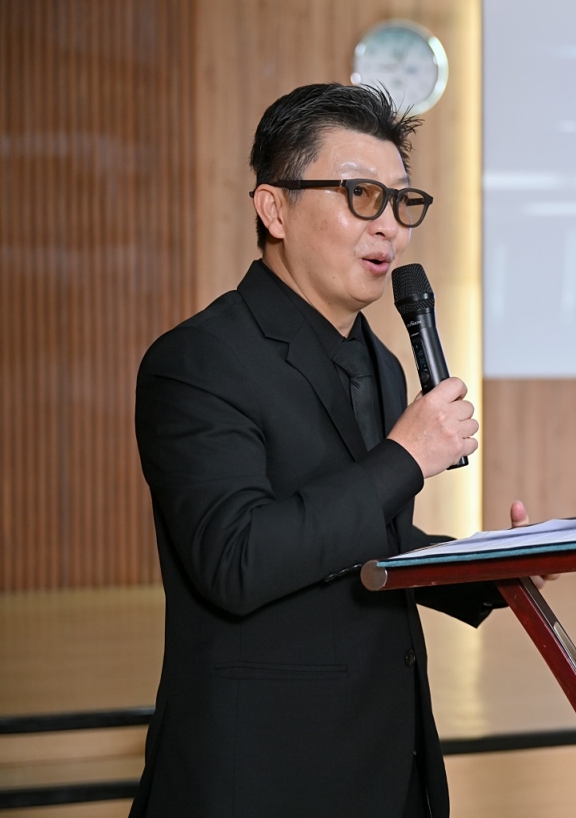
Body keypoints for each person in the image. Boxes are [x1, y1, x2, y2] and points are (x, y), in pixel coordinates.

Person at [131, 83, 523, 818]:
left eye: (401, 201)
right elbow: (236, 558)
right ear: (274, 209)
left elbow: (370, 542)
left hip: (385, 758)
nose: (390, 227)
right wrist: (404, 457)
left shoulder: (382, 363)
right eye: (360, 195)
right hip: (261, 774)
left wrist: (496, 567)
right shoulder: (199, 360)